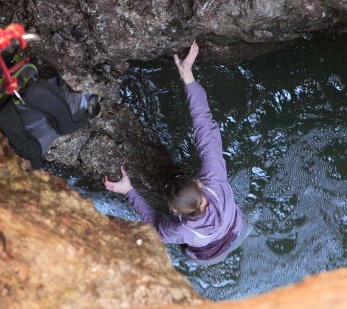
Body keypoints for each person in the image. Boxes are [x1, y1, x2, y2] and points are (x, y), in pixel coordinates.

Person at [103, 42, 246, 265]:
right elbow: (205, 127)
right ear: (199, 185)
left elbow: (156, 227)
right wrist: (188, 77)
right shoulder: (215, 178)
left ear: (172, 210)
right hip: (236, 228)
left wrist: (129, 190)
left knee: (191, 253)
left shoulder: (180, 230)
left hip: (207, 253)